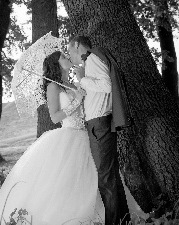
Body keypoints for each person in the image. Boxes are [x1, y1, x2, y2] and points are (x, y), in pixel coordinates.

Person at [0, 51, 105, 225]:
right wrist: (77, 101)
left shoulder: (70, 84)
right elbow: (55, 117)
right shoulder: (52, 87)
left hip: (85, 135)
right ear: (56, 64)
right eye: (63, 57)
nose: (67, 58)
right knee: (66, 181)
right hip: (68, 137)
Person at [68, 35, 132, 225]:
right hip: (100, 123)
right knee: (111, 177)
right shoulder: (93, 60)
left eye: (70, 50)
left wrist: (83, 79)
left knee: (105, 179)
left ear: (77, 45)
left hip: (99, 124)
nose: (70, 55)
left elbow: (106, 85)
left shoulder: (92, 58)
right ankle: (123, 220)